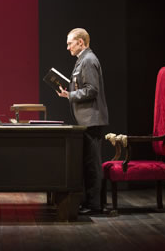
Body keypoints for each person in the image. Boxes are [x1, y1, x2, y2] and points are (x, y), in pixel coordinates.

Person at [57, 28, 109, 214]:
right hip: (86, 120)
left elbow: (91, 90)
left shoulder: (88, 60)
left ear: (81, 42)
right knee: (87, 163)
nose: (68, 47)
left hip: (92, 120)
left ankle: (94, 205)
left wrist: (70, 94)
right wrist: (68, 93)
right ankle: (89, 202)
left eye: (70, 43)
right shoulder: (83, 60)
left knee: (92, 164)